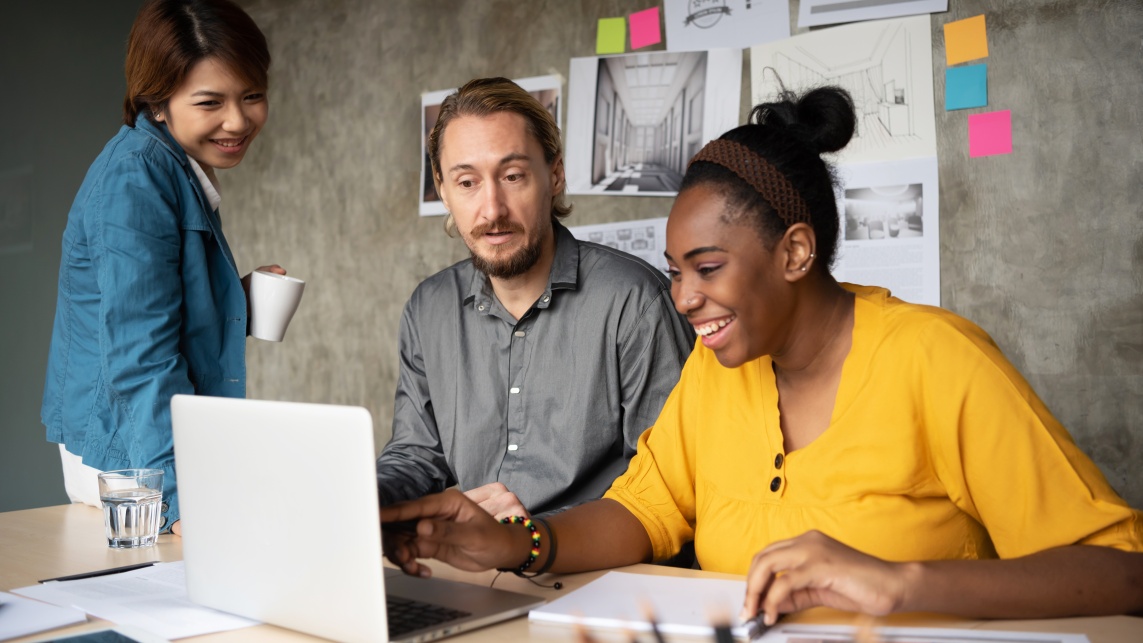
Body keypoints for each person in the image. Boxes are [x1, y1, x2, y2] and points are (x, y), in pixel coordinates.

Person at [380, 86, 1143, 623]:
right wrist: (516, 541)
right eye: (676, 271)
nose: (680, 297)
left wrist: (899, 581)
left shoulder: (937, 360)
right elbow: (642, 511)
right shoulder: (719, 376)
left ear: (794, 251)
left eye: (706, 268)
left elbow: (1120, 569)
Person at [376, 77, 694, 519]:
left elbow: (670, 487)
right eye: (467, 182)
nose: (492, 210)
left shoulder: (635, 303)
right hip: (474, 565)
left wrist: (533, 542)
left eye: (513, 176)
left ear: (555, 174)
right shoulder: (428, 309)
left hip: (596, 571)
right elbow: (417, 454)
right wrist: (364, 497)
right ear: (443, 190)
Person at [41, 0, 283, 536]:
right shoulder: (136, 181)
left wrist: (231, 298)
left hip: (144, 447)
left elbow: (155, 310)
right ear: (157, 103)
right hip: (131, 465)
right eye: (210, 102)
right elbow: (140, 356)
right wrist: (175, 500)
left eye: (253, 96)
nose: (238, 120)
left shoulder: (169, 168)